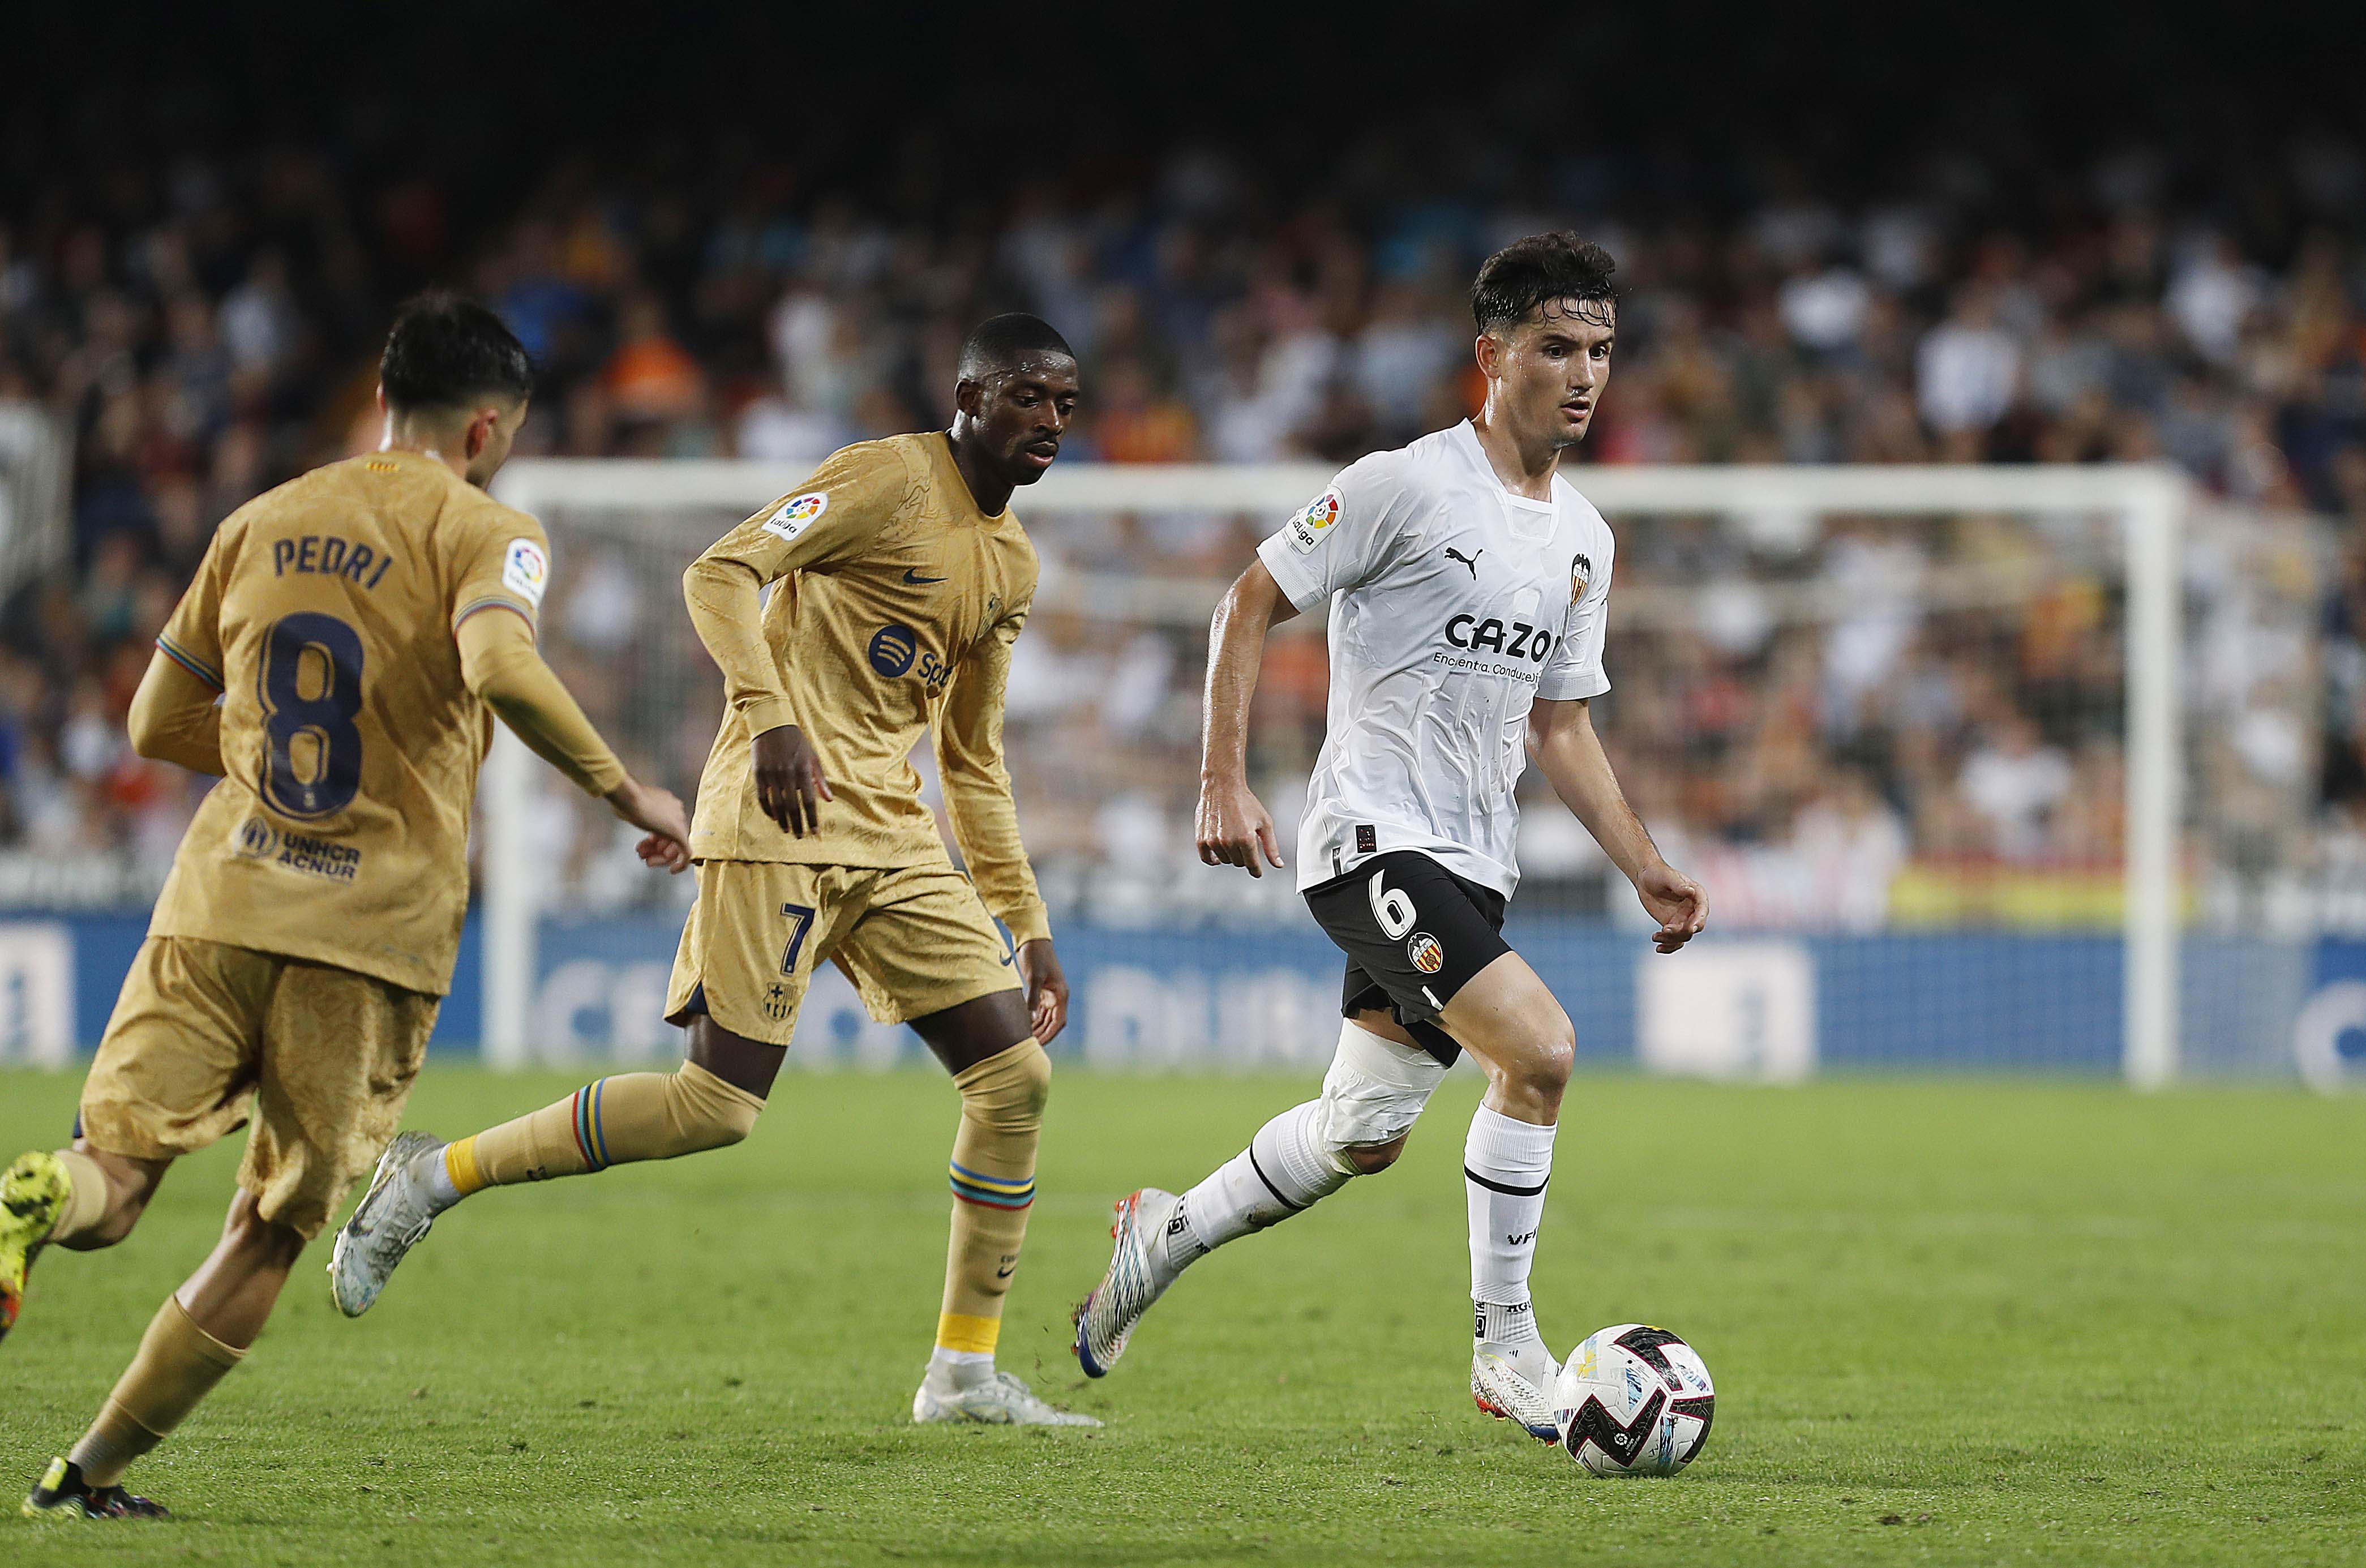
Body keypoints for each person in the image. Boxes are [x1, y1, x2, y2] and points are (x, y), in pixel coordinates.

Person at [329, 314, 1095, 1428]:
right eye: (1029, 396)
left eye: (1066, 406)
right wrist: (767, 711)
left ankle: (962, 1373)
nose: (1050, 423)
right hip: (778, 811)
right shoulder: (882, 477)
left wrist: (1027, 924)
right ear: (970, 395)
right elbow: (721, 568)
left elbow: (972, 760)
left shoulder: (1009, 562)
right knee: (717, 1106)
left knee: (1013, 1077)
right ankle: (431, 1174)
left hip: (890, 836)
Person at [0, 294, 692, 1519]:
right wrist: (624, 787)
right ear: (486, 428)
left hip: (220, 894)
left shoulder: (261, 518)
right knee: (270, 1226)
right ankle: (89, 1471)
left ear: (384, 402)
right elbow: (497, 662)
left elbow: (152, 722)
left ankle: (37, 1193)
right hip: (366, 933)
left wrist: (279, 759)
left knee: (112, 1170)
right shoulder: (490, 531)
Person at [1071, 236, 1708, 1442]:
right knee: (1541, 1052)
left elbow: (1559, 725)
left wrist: (1643, 860)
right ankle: (1507, 1345)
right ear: (1491, 355)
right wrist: (1219, 779)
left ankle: (1163, 1228)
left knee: (1362, 1129)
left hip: (1472, 858)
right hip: (1368, 836)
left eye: (1601, 351)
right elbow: (1246, 600)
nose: (1583, 374)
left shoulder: (1583, 538)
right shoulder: (1400, 484)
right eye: (1556, 347)